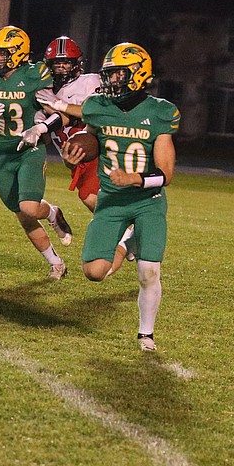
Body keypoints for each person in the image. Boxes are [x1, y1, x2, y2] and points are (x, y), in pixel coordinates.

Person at [62, 43, 179, 352]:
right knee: (94, 272)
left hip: (147, 201)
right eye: (110, 76)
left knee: (148, 271)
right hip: (111, 200)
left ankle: (146, 334)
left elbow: (166, 174)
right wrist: (74, 154)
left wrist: (135, 178)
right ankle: (127, 243)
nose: (112, 82)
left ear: (139, 75)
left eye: (118, 75)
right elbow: (90, 140)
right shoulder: (99, 106)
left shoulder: (159, 112)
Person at [0, 25, 73, 280]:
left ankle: (50, 211)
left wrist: (40, 126)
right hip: (0, 153)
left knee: (28, 207)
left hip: (29, 150)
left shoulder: (35, 76)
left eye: (2, 53)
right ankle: (56, 262)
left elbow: (61, 114)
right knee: (22, 214)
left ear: (18, 52)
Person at [21, 36, 133, 273]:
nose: (61, 68)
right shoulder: (44, 90)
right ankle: (128, 232)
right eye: (56, 63)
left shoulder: (89, 82)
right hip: (72, 158)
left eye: (66, 63)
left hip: (93, 146)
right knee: (91, 199)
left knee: (91, 195)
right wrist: (37, 124)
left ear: (77, 64)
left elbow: (87, 112)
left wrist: (53, 114)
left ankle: (127, 236)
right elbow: (47, 123)